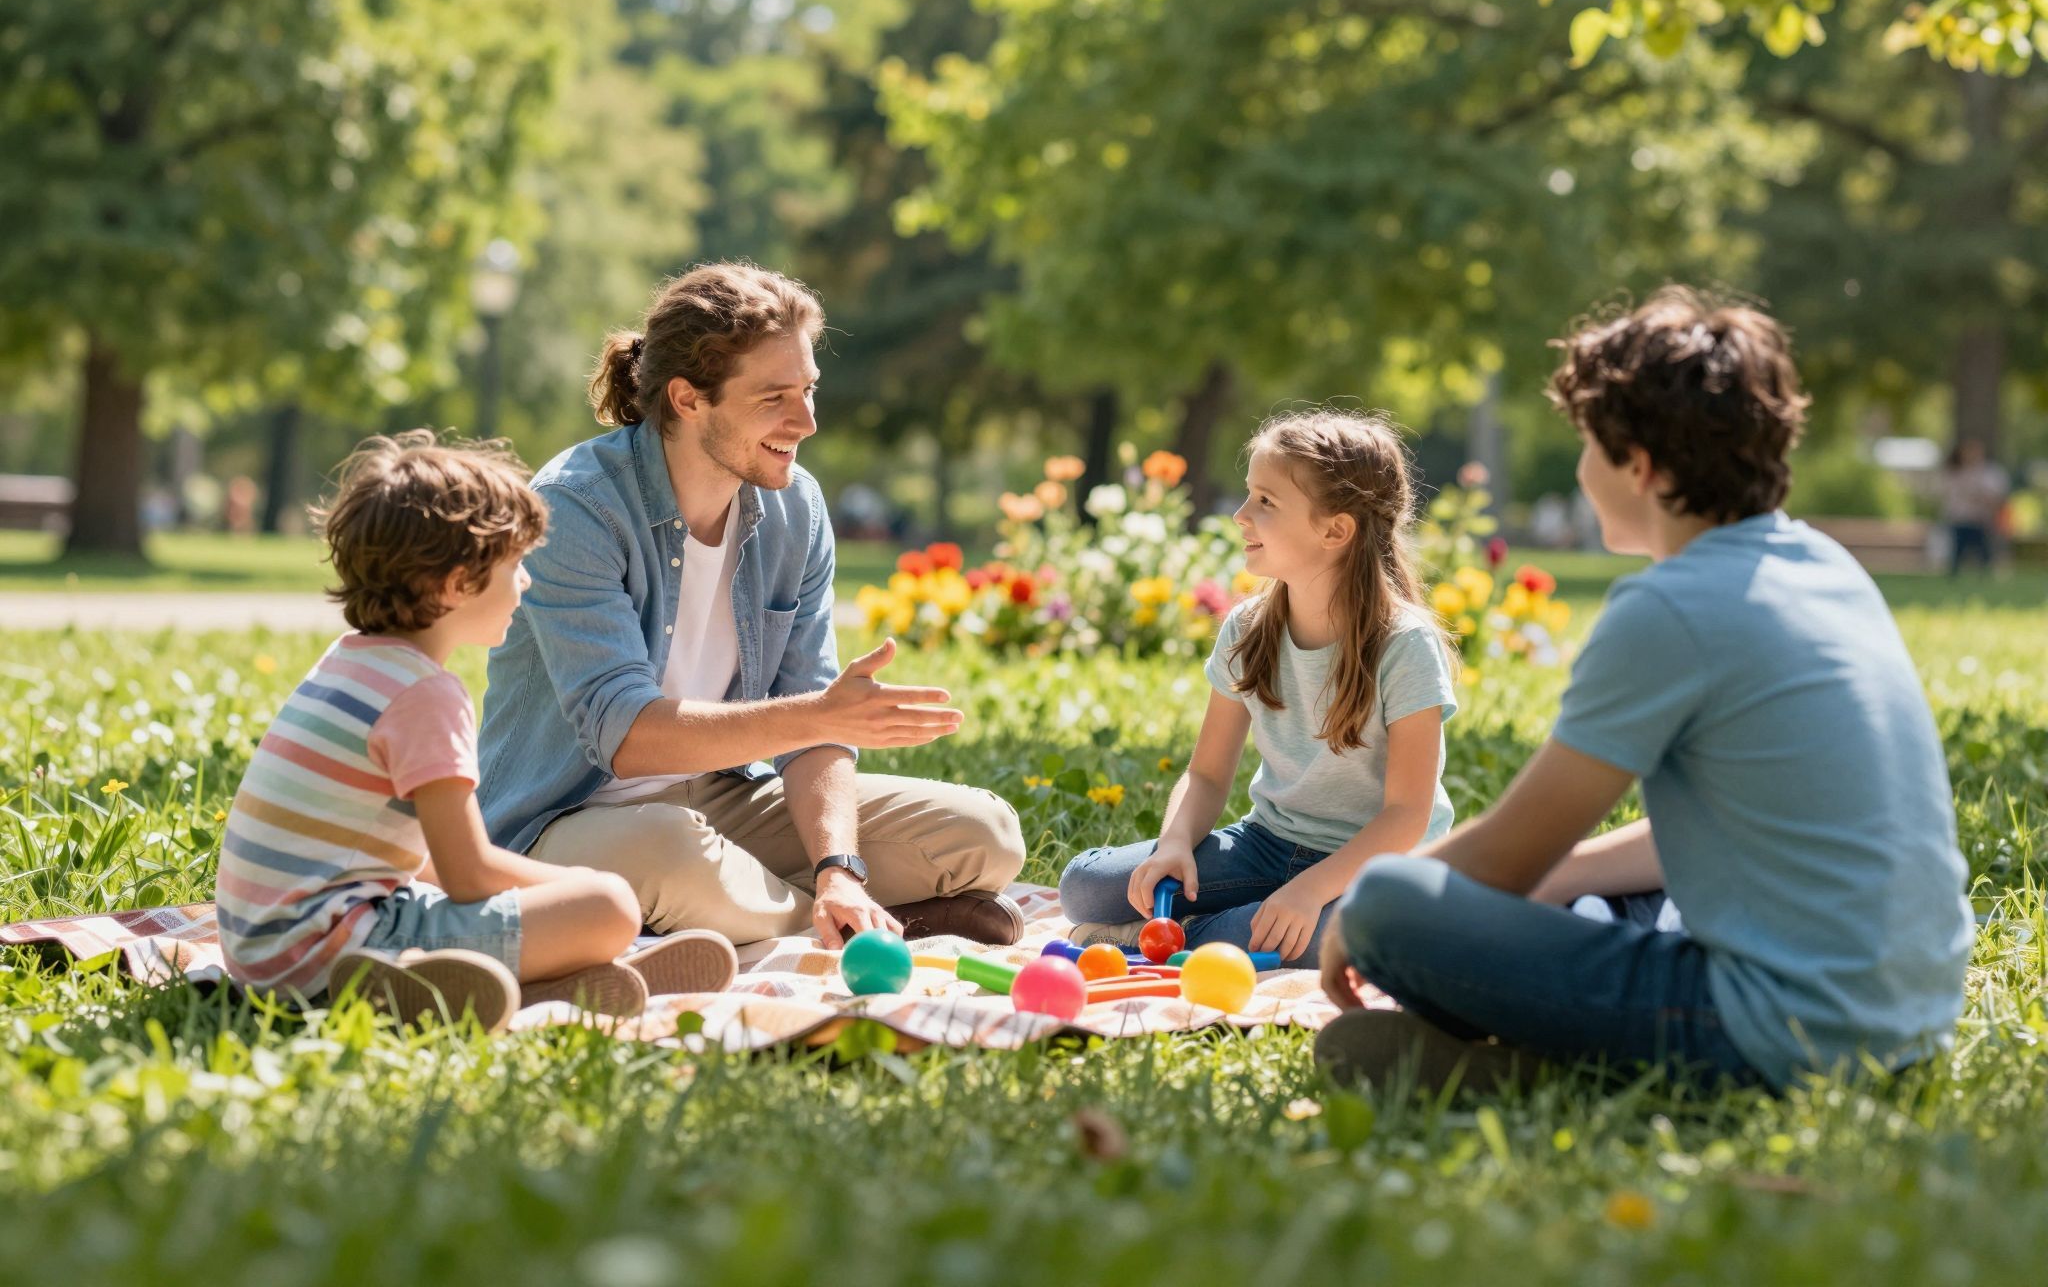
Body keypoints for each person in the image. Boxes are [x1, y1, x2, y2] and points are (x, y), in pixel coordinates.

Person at [1316, 290, 1974, 1094]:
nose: (1585, 468)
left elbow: (1509, 852)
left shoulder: (1669, 609)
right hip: (1906, 1016)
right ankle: (1549, 1054)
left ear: (1640, 466)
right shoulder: (1826, 566)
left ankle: (1556, 1073)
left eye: (1590, 444)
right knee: (1578, 893)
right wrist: (1549, 889)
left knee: (1393, 900)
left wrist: (1363, 911)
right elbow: (1714, 839)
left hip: (1783, 1031)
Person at [477, 262, 1026, 949]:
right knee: (669, 849)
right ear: (687, 399)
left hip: (722, 801)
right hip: (565, 819)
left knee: (984, 836)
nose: (807, 421)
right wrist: (815, 715)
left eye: (808, 390)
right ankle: (868, 930)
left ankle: (820, 910)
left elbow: (814, 724)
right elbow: (627, 738)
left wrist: (839, 868)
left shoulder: (796, 507)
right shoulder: (578, 505)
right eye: (774, 398)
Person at [215, 433, 736, 1031]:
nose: (526, 584)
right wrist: (582, 886)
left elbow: (428, 867)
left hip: (266, 951)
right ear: (456, 584)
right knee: (612, 905)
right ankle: (409, 985)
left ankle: (543, 985)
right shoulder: (424, 695)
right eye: (515, 565)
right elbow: (469, 874)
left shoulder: (351, 662)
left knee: (572, 905)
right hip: (330, 955)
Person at [1058, 410, 1459, 968]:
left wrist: (1311, 890)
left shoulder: (1404, 644)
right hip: (1266, 843)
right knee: (1085, 887)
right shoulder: (1247, 628)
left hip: (1372, 865)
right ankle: (1207, 931)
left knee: (1326, 933)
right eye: (1248, 496)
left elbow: (1406, 816)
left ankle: (1176, 938)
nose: (1241, 515)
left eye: (1265, 502)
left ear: (1335, 530)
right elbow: (1206, 773)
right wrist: (1175, 844)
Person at [1939, 438, 2009, 575]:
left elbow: (1997, 498)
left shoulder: (1991, 473)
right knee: (1957, 554)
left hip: (1981, 520)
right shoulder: (1954, 472)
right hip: (1959, 519)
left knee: (1984, 555)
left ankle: (1985, 577)